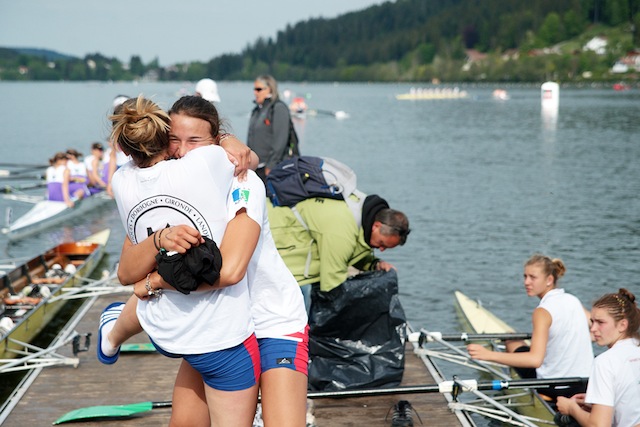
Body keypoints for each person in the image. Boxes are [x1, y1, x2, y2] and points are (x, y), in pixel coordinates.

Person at [101, 96, 308, 427]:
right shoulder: (175, 185)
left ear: (215, 143)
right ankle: (112, 332)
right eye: (174, 140)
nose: (183, 150)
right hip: (220, 324)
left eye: (195, 141)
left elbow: (230, 271)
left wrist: (154, 282)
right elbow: (127, 268)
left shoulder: (244, 184)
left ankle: (113, 331)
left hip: (271, 319)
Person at [466, 254, 594, 400]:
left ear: (549, 280)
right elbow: (597, 330)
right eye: (525, 276)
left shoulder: (542, 311)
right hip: (586, 384)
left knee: (510, 339)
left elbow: (534, 360)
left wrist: (487, 355)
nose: (526, 282)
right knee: (520, 341)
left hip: (555, 388)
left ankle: (518, 389)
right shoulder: (573, 300)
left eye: (533, 277)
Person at [267, 193, 410, 313]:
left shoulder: (361, 214)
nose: (381, 250)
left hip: (293, 243)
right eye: (381, 244)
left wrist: (375, 264)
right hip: (280, 235)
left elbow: (351, 253)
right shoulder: (343, 231)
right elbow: (332, 282)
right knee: (296, 319)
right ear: (376, 226)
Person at [556, 288, 640, 427]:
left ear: (622, 325)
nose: (593, 328)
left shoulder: (605, 362)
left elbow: (599, 426)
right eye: (592, 321)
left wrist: (571, 408)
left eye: (600, 322)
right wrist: (599, 402)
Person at [247, 74, 295, 183]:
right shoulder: (256, 111)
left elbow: (280, 140)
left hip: (271, 168)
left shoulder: (278, 108)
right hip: (256, 167)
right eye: (254, 89)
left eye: (258, 89)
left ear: (270, 89)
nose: (255, 92)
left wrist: (271, 165)